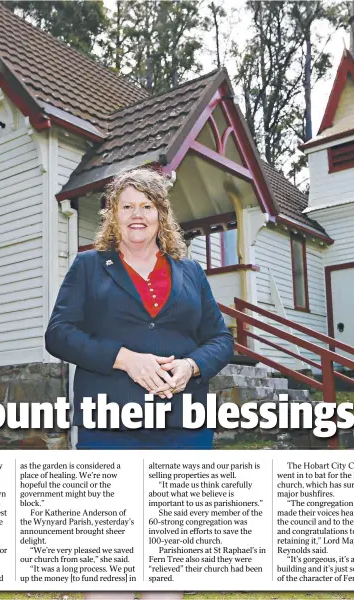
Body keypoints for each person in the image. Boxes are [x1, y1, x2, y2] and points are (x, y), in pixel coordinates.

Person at [45, 167, 234, 599]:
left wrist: (191, 366)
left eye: (146, 206)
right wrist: (124, 359)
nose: (136, 214)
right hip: (110, 426)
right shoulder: (90, 266)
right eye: (126, 205)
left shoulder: (190, 272)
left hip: (183, 428)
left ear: (160, 214)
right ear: (113, 214)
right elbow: (58, 334)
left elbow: (220, 338)